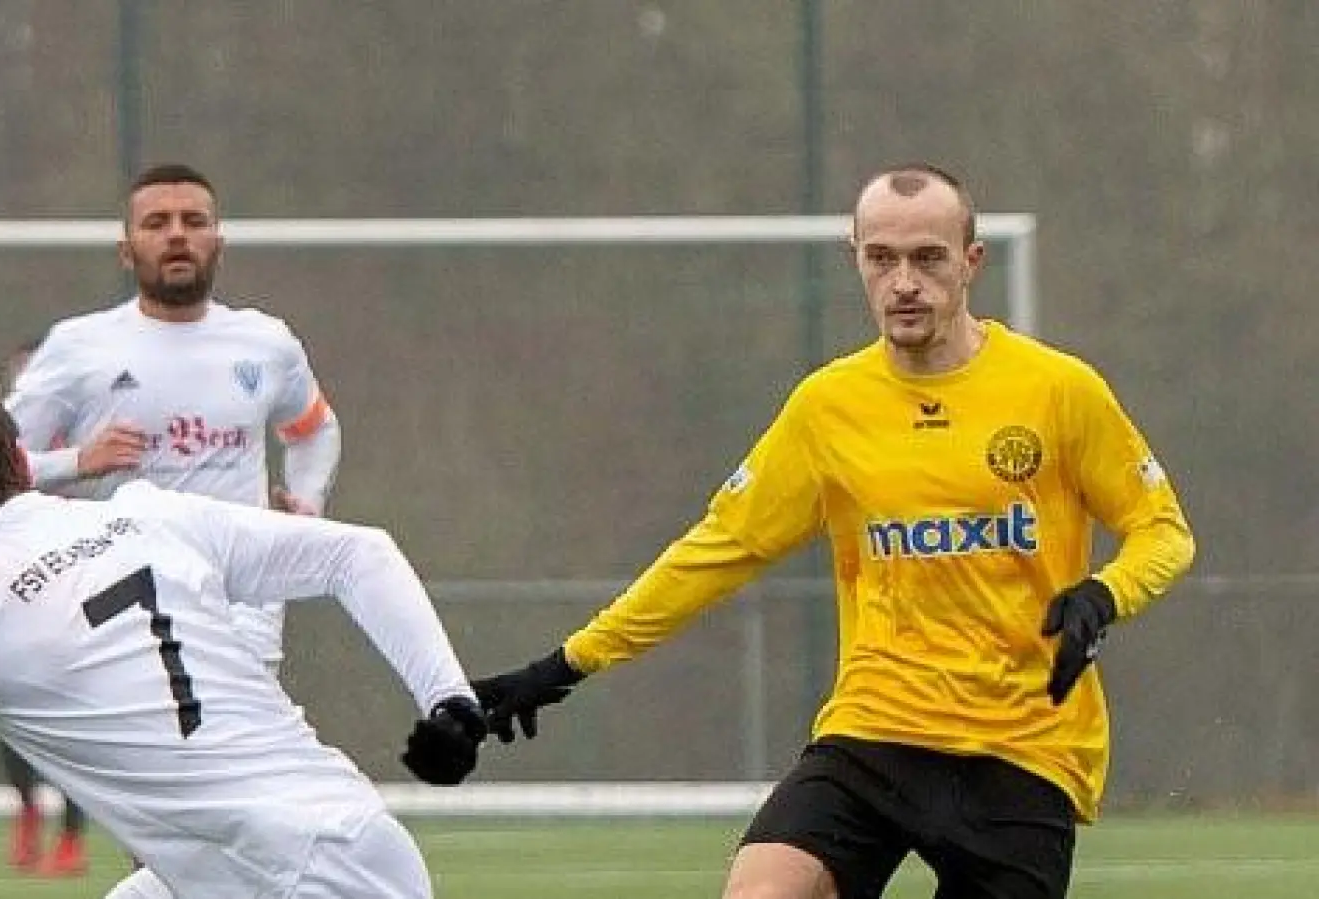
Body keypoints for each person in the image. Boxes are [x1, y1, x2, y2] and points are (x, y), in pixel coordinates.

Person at [473, 163, 1196, 899]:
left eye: (928, 258)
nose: (904, 282)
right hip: (875, 729)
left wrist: (1104, 594)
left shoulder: (1059, 390)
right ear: (856, 258)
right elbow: (716, 551)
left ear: (971, 262)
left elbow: (1163, 531)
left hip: (1023, 748)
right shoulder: (828, 407)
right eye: (881, 258)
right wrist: (566, 663)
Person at [0, 363, 486, 899]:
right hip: (339, 841)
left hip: (289, 874)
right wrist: (450, 698)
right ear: (21, 461)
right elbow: (359, 553)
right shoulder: (150, 513)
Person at [7, 161, 341, 669]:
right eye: (157, 223)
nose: (178, 235)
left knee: (245, 720)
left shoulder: (266, 342)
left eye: (194, 221)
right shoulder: (77, 347)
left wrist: (307, 506)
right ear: (126, 251)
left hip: (241, 609)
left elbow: (313, 430)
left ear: (219, 245)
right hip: (118, 607)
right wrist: (76, 462)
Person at [0, 337, 88, 875]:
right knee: (9, 700)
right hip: (19, 581)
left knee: (79, 709)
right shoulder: (0, 439)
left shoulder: (91, 426)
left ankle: (73, 835)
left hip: (79, 581)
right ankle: (28, 808)